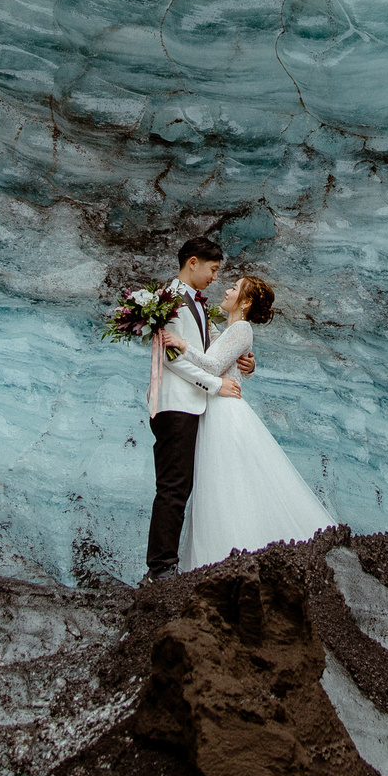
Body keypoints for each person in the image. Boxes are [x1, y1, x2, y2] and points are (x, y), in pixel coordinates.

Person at [161, 274, 333, 571]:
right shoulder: (229, 329)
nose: (226, 289)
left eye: (234, 287)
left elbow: (213, 365)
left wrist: (181, 344)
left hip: (225, 411)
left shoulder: (240, 328)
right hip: (217, 408)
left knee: (227, 484)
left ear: (246, 301)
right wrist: (249, 366)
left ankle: (229, 554)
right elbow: (224, 357)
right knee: (223, 484)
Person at [142, 236, 252, 577]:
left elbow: (213, 349)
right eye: (213, 269)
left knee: (181, 486)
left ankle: (166, 565)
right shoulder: (170, 299)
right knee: (173, 487)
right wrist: (217, 385)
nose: (216, 278)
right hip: (175, 405)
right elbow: (171, 357)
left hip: (191, 406)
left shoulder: (196, 302)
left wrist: (246, 362)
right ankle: (161, 569)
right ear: (193, 263)